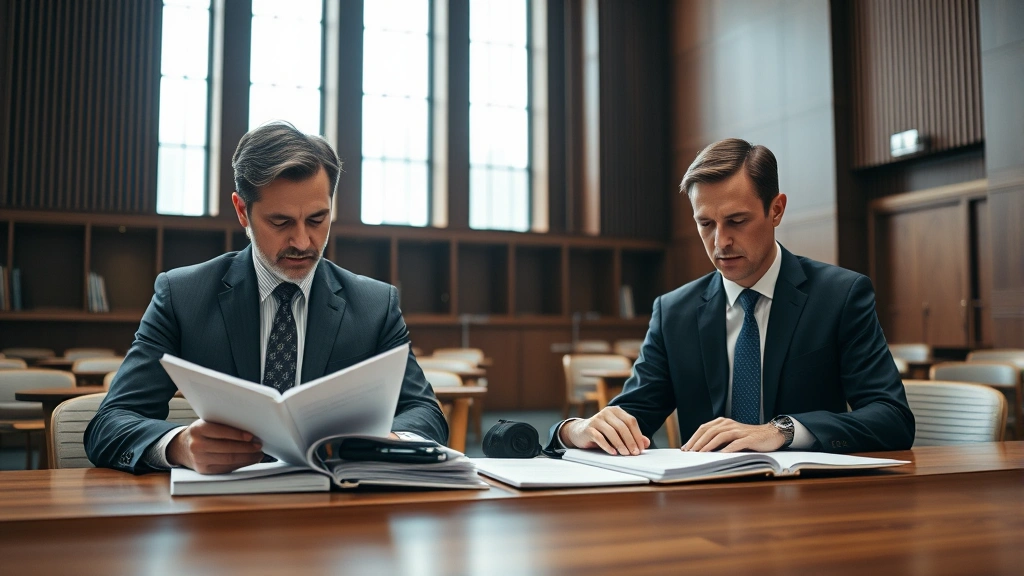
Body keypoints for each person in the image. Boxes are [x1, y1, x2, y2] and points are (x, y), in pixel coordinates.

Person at [86, 121, 447, 474]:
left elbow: (425, 413)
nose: (303, 242)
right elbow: (110, 423)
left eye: (318, 219)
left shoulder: (374, 305)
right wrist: (179, 445)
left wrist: (391, 442)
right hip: (222, 518)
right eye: (281, 222)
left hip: (338, 515)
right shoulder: (182, 296)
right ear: (242, 210)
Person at [547, 138, 914, 457]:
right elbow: (628, 417)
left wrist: (781, 431)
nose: (720, 242)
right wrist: (576, 430)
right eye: (705, 224)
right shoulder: (674, 312)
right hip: (704, 504)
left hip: (807, 502)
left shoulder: (840, 296)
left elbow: (891, 418)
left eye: (737, 221)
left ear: (776, 210)